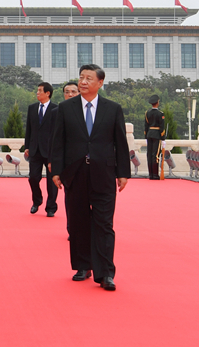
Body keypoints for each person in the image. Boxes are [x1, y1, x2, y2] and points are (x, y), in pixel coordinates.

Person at [52, 64, 129, 291]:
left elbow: (120, 143)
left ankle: (105, 273)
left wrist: (123, 172)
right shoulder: (66, 109)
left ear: (100, 83)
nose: (83, 82)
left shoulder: (112, 109)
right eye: (81, 78)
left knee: (104, 224)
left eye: (88, 78)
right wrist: (56, 171)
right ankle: (83, 265)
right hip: (75, 173)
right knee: (78, 222)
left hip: (104, 173)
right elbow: (58, 142)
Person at [24, 82, 58, 216]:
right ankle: (36, 201)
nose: (37, 93)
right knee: (33, 178)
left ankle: (51, 207)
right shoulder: (32, 108)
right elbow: (29, 129)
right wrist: (27, 146)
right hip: (35, 150)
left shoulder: (56, 109)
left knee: (52, 181)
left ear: (47, 93)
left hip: (50, 151)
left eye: (39, 90)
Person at [144, 95, 165, 180]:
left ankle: (151, 174)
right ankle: (155, 175)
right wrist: (163, 138)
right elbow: (162, 126)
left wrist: (146, 136)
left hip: (149, 134)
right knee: (155, 155)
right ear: (157, 103)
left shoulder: (147, 113)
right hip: (156, 135)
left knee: (149, 154)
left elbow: (146, 126)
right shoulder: (160, 114)